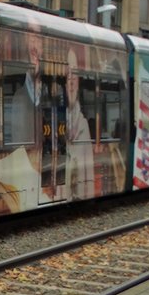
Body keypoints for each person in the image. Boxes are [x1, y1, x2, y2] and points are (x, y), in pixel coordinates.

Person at [64, 46, 95, 200]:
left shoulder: (83, 124)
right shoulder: (54, 120)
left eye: (75, 72)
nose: (71, 79)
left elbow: (89, 176)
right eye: (67, 73)